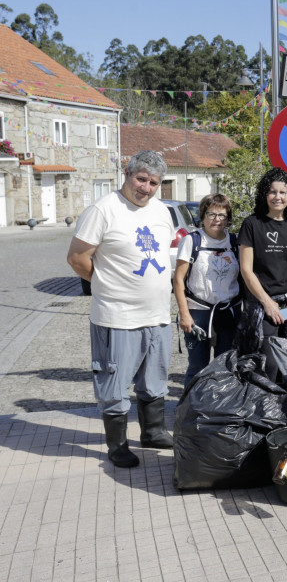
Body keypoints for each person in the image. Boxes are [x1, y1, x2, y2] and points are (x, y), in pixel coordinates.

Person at [66, 150, 176, 468]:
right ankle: (117, 445)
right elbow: (77, 258)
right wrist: (108, 284)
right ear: (127, 174)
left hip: (157, 314)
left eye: (153, 182)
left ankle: (153, 432)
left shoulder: (161, 211)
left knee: (154, 379)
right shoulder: (103, 210)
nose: (146, 188)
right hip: (117, 316)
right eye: (141, 179)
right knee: (115, 384)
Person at [235, 168, 287, 354]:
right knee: (268, 363)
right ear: (265, 194)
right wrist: (267, 303)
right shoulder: (252, 224)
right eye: (272, 192)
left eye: (283, 192)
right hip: (263, 306)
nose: (278, 197)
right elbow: (246, 270)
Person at [173, 193, 241, 385]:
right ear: (202, 216)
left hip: (228, 312)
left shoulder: (235, 242)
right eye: (211, 214)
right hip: (198, 312)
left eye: (222, 215)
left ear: (228, 218)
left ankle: (221, 409)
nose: (217, 220)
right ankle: (191, 410)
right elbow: (178, 280)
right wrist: (184, 314)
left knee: (226, 366)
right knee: (197, 367)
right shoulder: (191, 241)